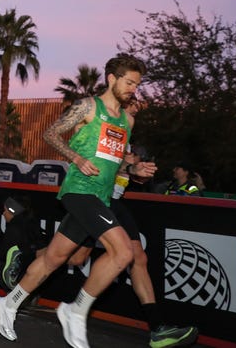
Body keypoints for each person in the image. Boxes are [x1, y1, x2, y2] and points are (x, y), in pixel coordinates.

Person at [0, 54, 168, 348]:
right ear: (111, 78)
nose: (133, 89)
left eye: (137, 84)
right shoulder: (88, 107)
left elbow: (114, 161)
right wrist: (76, 157)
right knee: (123, 253)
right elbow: (50, 133)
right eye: (129, 82)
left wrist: (133, 169)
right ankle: (76, 310)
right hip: (78, 191)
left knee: (54, 258)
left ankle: (8, 303)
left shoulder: (127, 120)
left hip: (101, 197)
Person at [65, 145, 199, 348]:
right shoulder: (105, 129)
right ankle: (30, 259)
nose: (136, 110)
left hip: (116, 204)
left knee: (138, 257)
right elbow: (103, 167)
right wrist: (129, 167)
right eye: (133, 109)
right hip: (96, 201)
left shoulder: (124, 129)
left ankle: (157, 328)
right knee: (74, 258)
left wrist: (139, 175)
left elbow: (127, 176)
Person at [0, 197, 48, 291]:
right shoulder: (32, 223)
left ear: (12, 211)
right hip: (36, 270)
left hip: (22, 271)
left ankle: (14, 292)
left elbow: (4, 255)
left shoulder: (14, 228)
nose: (3, 214)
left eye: (5, 211)